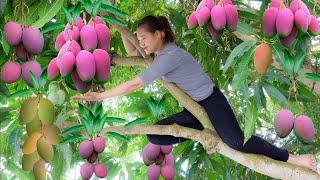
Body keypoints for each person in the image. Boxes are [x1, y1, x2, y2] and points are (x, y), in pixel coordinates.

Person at [72, 15, 317, 172]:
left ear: (160, 34)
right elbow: (136, 52)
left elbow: (133, 85)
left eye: (145, 38)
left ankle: (291, 159)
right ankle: (202, 134)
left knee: (235, 141)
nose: (142, 43)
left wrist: (99, 97)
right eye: (140, 39)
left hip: (211, 101)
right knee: (157, 136)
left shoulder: (170, 57)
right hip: (193, 108)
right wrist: (116, 24)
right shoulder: (158, 55)